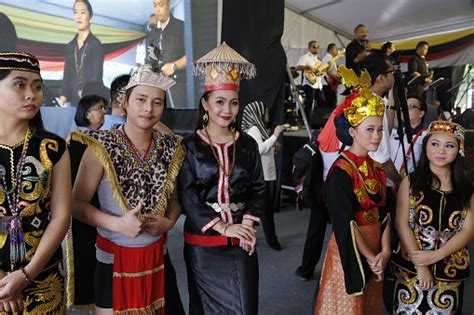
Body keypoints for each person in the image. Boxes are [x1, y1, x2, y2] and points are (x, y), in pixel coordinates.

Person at [70, 64, 184, 314]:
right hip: (113, 261)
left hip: (158, 258)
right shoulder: (102, 146)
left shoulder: (169, 147)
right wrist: (117, 224)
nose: (148, 108)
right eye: (141, 99)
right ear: (125, 101)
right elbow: (76, 205)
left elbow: (174, 199)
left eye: (157, 102)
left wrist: (170, 222)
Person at [178, 42, 265, 314]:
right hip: (203, 244)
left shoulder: (248, 144)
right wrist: (222, 227)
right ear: (205, 103)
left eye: (233, 102)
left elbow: (259, 188)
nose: (226, 110)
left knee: (245, 307)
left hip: (241, 239)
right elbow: (187, 195)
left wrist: (247, 227)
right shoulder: (190, 146)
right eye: (219, 102)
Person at [314, 67, 391, 314]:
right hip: (352, 250)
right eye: (370, 129)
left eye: (380, 129)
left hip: (376, 248)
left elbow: (386, 213)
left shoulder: (376, 168)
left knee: (369, 306)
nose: (377, 136)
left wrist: (385, 252)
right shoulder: (341, 172)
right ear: (352, 131)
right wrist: (371, 256)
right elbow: (343, 222)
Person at [0, 52, 71, 313]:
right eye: (20, 85)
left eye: (37, 87)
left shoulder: (53, 147)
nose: (32, 94)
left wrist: (26, 275)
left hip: (43, 274)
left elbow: (61, 216)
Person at [391, 120, 472, 313]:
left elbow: (469, 230)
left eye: (449, 145)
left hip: (449, 265)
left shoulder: (466, 189)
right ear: (426, 146)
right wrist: (421, 266)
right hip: (412, 265)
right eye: (434, 144)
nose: (440, 151)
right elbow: (401, 224)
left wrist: (437, 255)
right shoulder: (411, 182)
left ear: (459, 150)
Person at [242, 101, 285, 251]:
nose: (268, 115)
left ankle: (249, 235)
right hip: (260, 177)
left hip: (265, 175)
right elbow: (258, 150)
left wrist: (273, 144)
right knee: (266, 211)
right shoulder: (254, 129)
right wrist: (275, 136)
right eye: (265, 112)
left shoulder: (258, 128)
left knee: (261, 210)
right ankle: (272, 240)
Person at [294, 131, 327, 281]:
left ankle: (306, 269)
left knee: (315, 231)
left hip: (318, 190)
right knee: (344, 232)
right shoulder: (346, 134)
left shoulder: (321, 135)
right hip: (335, 188)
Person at [59, 0, 104, 107]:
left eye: (82, 12)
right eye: (75, 12)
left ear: (90, 18)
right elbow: (66, 76)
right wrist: (62, 99)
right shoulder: (70, 46)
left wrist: (86, 93)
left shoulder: (96, 44)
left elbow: (96, 76)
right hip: (73, 102)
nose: (78, 16)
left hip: (91, 101)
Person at [147, 0, 187, 108]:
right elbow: (152, 61)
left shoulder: (182, 27)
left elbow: (195, 55)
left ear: (169, 5)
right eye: (155, 5)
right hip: (158, 90)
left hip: (179, 87)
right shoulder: (152, 35)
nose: (157, 9)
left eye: (161, 5)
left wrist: (175, 65)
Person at [389, 95, 427, 179]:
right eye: (404, 106)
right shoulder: (394, 132)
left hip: (406, 184)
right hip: (385, 183)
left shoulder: (425, 137)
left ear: (421, 113)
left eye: (410, 107)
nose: (404, 110)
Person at [295, 40, 326, 121]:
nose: (316, 48)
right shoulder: (305, 57)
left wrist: (322, 72)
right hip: (309, 84)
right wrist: (307, 67)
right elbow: (297, 67)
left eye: (318, 47)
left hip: (318, 84)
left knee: (321, 103)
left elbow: (322, 73)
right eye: (314, 47)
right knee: (308, 103)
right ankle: (306, 121)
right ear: (309, 48)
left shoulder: (319, 59)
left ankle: (318, 121)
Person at [322, 43, 339, 108]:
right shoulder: (327, 58)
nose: (337, 51)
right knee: (330, 104)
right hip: (328, 83)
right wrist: (336, 78)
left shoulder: (330, 58)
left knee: (332, 103)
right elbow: (326, 70)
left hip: (330, 83)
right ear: (331, 49)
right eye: (336, 49)